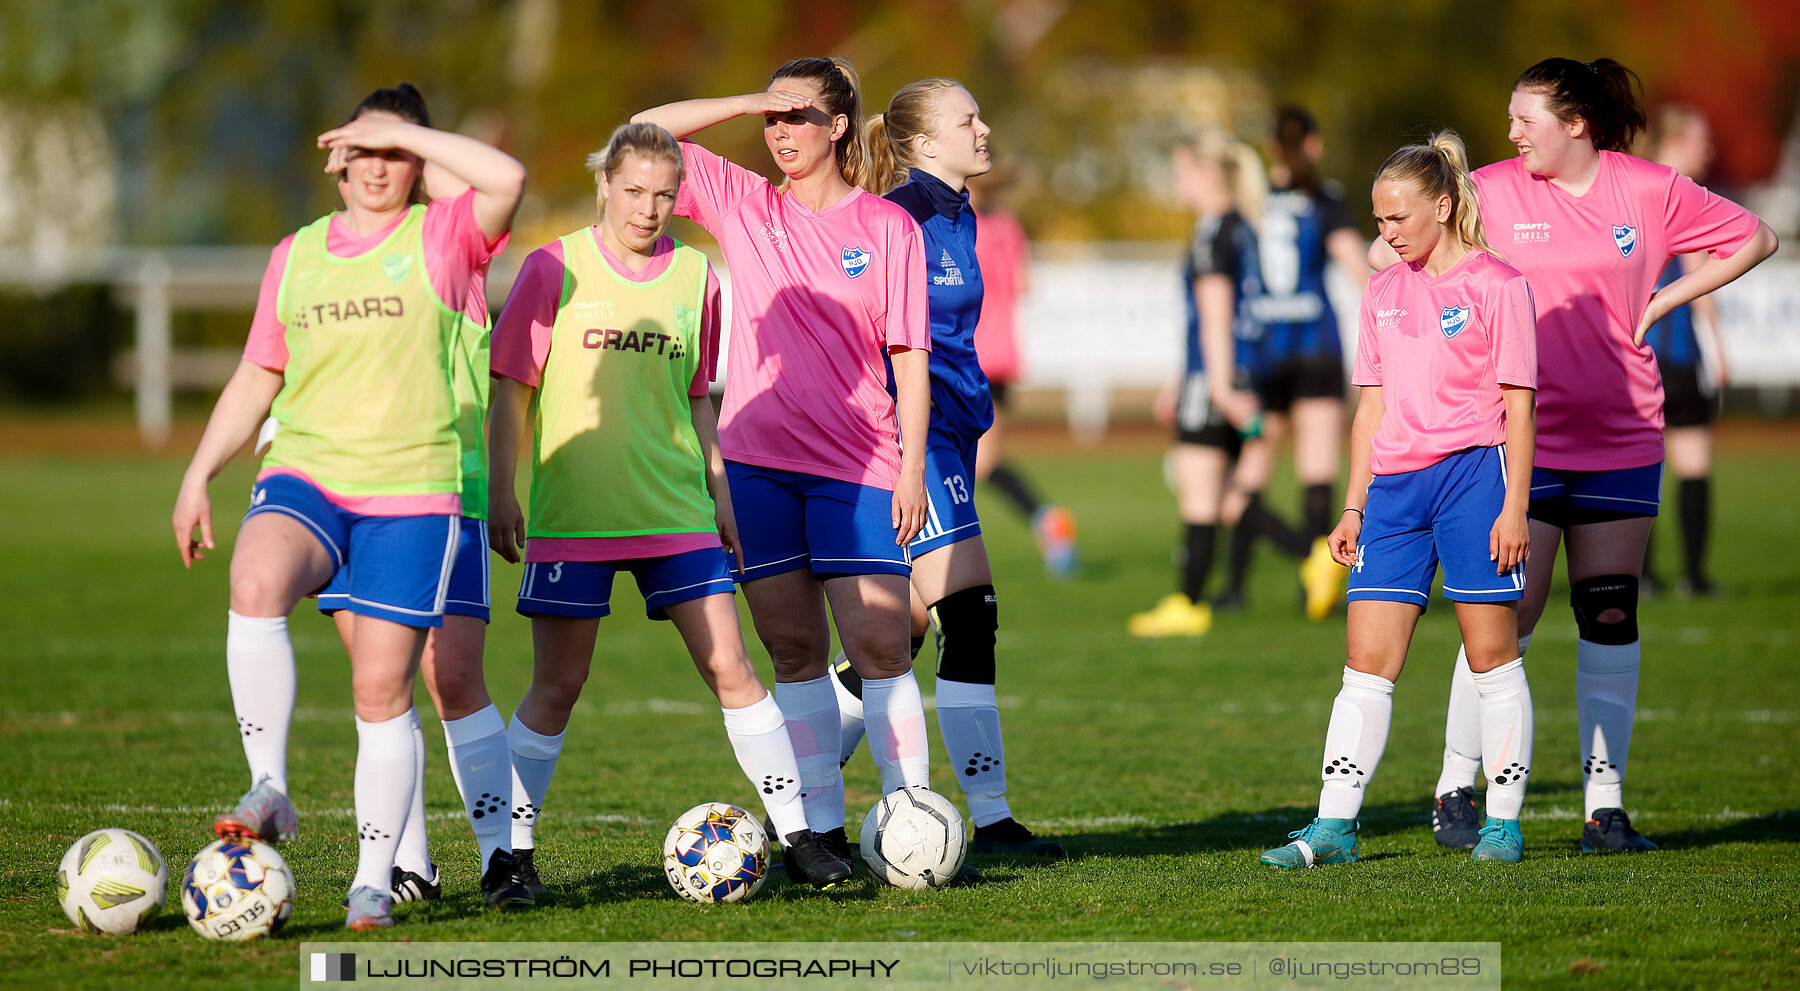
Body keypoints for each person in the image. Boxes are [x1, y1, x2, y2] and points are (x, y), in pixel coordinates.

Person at [172, 83, 526, 929]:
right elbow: (259, 373)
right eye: (362, 150)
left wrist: (398, 131)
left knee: (384, 688)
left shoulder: (441, 238)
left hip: (415, 491)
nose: (377, 167)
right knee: (255, 580)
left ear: (419, 163)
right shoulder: (295, 254)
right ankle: (272, 785)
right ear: (336, 162)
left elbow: (505, 176)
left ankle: (378, 879)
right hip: (309, 471)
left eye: (395, 152)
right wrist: (198, 473)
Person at [1419, 58, 1776, 853]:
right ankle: (1454, 786)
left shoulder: (1649, 190)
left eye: (1526, 119)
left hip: (1622, 432)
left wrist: (1669, 298)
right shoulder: (1491, 190)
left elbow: (1758, 237)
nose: (1511, 134)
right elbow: (1412, 257)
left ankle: (1604, 808)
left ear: (1575, 122)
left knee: (1610, 611)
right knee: (1507, 614)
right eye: (1510, 120)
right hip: (1520, 439)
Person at [485, 122, 853, 893]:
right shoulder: (554, 267)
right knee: (558, 685)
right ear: (605, 187)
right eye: (634, 191)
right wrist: (500, 488)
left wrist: (719, 494)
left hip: (675, 511)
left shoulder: (697, 276)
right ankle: (509, 857)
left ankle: (800, 838)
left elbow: (697, 400)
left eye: (663, 194)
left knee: (732, 666)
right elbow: (511, 387)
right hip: (574, 514)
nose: (648, 209)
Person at [631, 57, 935, 873]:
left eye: (796, 117)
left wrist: (909, 469)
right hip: (758, 466)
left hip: (861, 465)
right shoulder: (741, 200)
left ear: (838, 126)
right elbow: (640, 136)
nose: (779, 134)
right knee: (793, 649)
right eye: (771, 121)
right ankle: (823, 836)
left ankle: (914, 822)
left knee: (882, 645)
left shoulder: (886, 227)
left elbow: (909, 356)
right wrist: (744, 99)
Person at [1262, 130, 1539, 868]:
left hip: (1477, 479)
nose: (1385, 235)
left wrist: (1515, 505)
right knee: (1365, 661)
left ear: (1444, 205)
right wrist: (1353, 505)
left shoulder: (1499, 285)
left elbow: (1519, 408)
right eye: (1378, 220)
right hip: (1393, 493)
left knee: (1492, 655)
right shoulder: (1381, 290)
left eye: (1398, 220)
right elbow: (1371, 411)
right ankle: (1333, 825)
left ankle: (1504, 824)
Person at [826, 78, 1062, 860]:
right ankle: (991, 820)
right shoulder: (903, 216)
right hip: (910, 439)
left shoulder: (959, 213)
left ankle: (801, 807)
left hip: (953, 436)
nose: (985, 127)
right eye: (969, 120)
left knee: (904, 626)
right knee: (971, 611)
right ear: (925, 144)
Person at [1129, 133, 1308, 637]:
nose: (1177, 182)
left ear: (1207, 173)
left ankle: (1188, 603)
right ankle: (1316, 556)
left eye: (1182, 172)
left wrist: (1217, 386)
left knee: (1200, 494)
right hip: (1243, 371)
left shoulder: (1212, 231)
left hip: (1216, 378)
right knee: (1232, 500)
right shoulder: (1244, 226)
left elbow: (1214, 315)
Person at [1213, 107, 1367, 619]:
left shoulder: (1248, 203)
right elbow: (1356, 264)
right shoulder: (1326, 199)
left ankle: (1234, 588)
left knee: (1249, 478)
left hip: (1265, 355)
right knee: (1318, 474)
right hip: (1317, 348)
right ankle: (1316, 575)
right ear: (1314, 145)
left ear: (1269, 148)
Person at [966, 171, 1079, 579]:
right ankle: (1046, 519)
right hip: (1000, 357)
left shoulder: (956, 225)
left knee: (955, 462)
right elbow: (1025, 285)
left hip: (966, 353)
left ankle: (937, 552)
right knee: (984, 462)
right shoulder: (1009, 228)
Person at [1640, 105, 1725, 597]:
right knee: (1693, 465)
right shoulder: (1681, 197)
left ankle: (1643, 577)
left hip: (1639, 356)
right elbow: (1700, 280)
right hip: (1677, 354)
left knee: (1640, 469)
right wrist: (1719, 349)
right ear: (1674, 145)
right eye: (1699, 142)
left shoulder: (1636, 193)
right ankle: (1693, 577)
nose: (1707, 152)